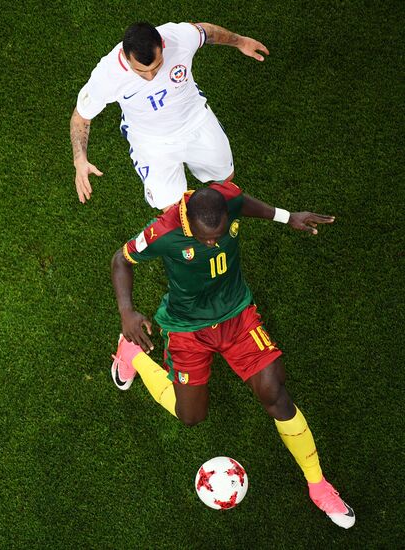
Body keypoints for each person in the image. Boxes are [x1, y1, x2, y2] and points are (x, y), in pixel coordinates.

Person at [110, 180, 355, 529]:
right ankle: (132, 352)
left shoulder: (229, 199)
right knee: (191, 416)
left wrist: (288, 217)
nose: (212, 242)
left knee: (275, 393)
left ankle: (318, 486)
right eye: (204, 238)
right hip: (187, 328)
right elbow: (121, 259)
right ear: (188, 224)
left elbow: (250, 204)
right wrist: (127, 313)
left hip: (237, 317)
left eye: (219, 235)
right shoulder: (163, 231)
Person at [70, 22, 269, 210]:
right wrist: (80, 160)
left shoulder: (179, 37)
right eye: (140, 71)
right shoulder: (107, 75)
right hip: (151, 142)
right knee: (174, 212)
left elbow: (208, 32)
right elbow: (81, 117)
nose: (151, 76)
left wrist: (240, 41)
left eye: (157, 66)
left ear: (163, 45)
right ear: (125, 56)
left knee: (225, 179)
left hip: (195, 120)